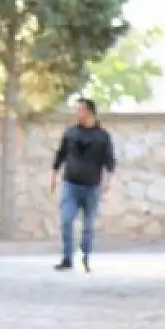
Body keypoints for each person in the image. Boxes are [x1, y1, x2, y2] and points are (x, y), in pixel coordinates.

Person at [51, 97, 116, 273]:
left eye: (80, 109)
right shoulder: (70, 133)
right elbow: (60, 155)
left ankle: (85, 257)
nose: (77, 113)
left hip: (92, 187)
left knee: (88, 225)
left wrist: (108, 181)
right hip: (70, 184)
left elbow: (109, 161)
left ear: (90, 112)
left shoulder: (102, 136)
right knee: (66, 220)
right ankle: (67, 258)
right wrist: (54, 175)